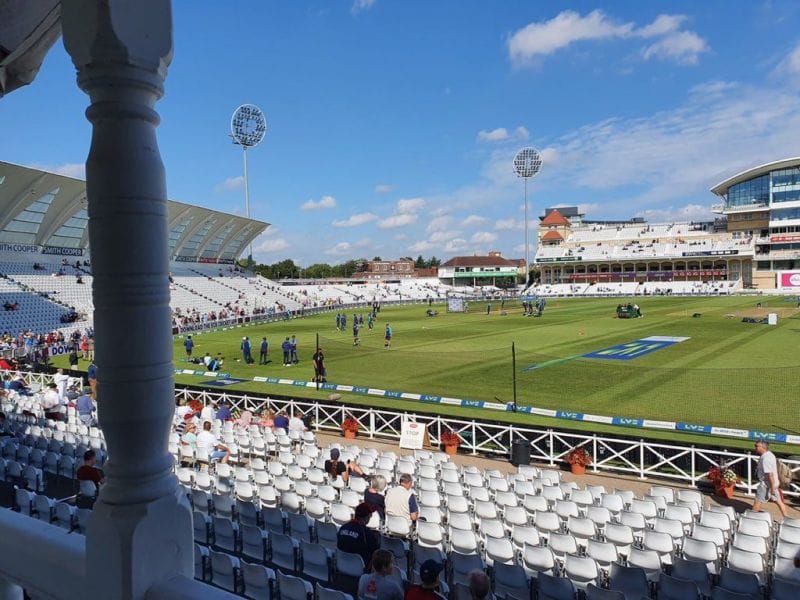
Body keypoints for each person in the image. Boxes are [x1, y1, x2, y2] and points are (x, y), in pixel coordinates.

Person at [337, 502, 380, 569]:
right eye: (370, 515)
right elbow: (376, 551)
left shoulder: (343, 527)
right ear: (367, 517)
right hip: (359, 568)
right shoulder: (366, 533)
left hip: (341, 565)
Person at [752, 440, 788, 518]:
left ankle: (752, 517)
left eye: (756, 446)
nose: (755, 447)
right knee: (779, 502)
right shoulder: (770, 455)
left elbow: (770, 475)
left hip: (767, 485)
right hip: (773, 484)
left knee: (758, 501)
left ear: (763, 447)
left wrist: (772, 488)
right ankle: (786, 518)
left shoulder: (766, 458)